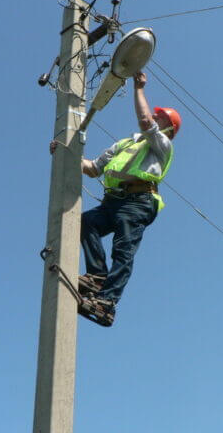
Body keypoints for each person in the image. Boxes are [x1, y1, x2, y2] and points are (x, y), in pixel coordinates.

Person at [77, 70, 181, 326]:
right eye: (157, 113)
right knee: (85, 223)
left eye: (161, 116)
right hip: (113, 201)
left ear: (168, 128)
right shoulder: (124, 144)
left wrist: (139, 88)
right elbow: (92, 168)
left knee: (123, 251)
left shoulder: (162, 145)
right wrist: (65, 155)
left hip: (138, 202)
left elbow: (145, 122)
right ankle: (97, 277)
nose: (155, 115)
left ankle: (107, 303)